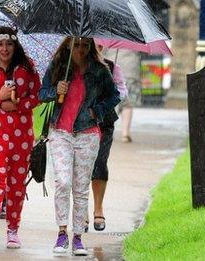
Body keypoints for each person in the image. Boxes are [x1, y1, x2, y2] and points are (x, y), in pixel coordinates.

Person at [39, 37, 120, 256]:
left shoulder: (100, 70)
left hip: (88, 133)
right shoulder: (58, 66)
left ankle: (77, 238)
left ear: (91, 47)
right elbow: (42, 93)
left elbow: (114, 96)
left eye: (85, 45)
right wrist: (56, 90)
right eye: (77, 45)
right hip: (61, 132)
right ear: (68, 44)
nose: (81, 50)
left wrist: (98, 111)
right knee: (63, 182)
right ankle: (62, 231)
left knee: (81, 187)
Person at [0, 26, 41, 250]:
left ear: (16, 45)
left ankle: (13, 230)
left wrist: (18, 105)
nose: (4, 49)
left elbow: (37, 96)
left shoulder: (27, 68)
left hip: (22, 135)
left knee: (16, 185)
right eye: (0, 44)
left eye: (9, 44)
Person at [89, 44, 128, 232]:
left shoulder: (112, 67)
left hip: (104, 122)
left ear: (101, 46)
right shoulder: (71, 66)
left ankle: (98, 208)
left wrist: (110, 89)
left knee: (99, 163)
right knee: (78, 168)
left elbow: (122, 92)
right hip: (78, 122)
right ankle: (79, 212)